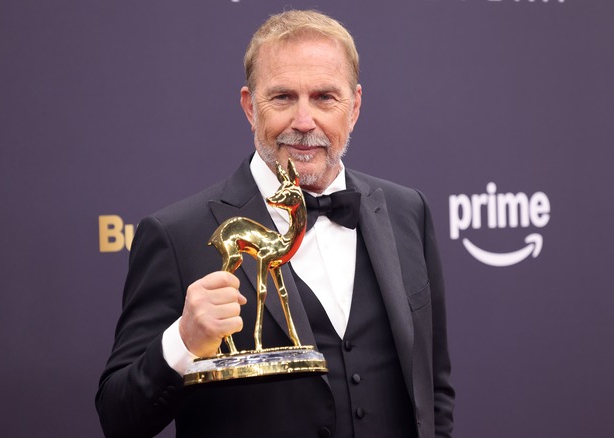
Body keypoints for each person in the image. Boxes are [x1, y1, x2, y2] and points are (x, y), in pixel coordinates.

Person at [96, 10, 454, 438]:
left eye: (325, 97)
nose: (304, 122)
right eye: (282, 97)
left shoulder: (406, 210)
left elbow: (433, 390)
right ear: (250, 106)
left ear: (354, 106)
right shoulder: (175, 235)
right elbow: (118, 416)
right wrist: (183, 341)